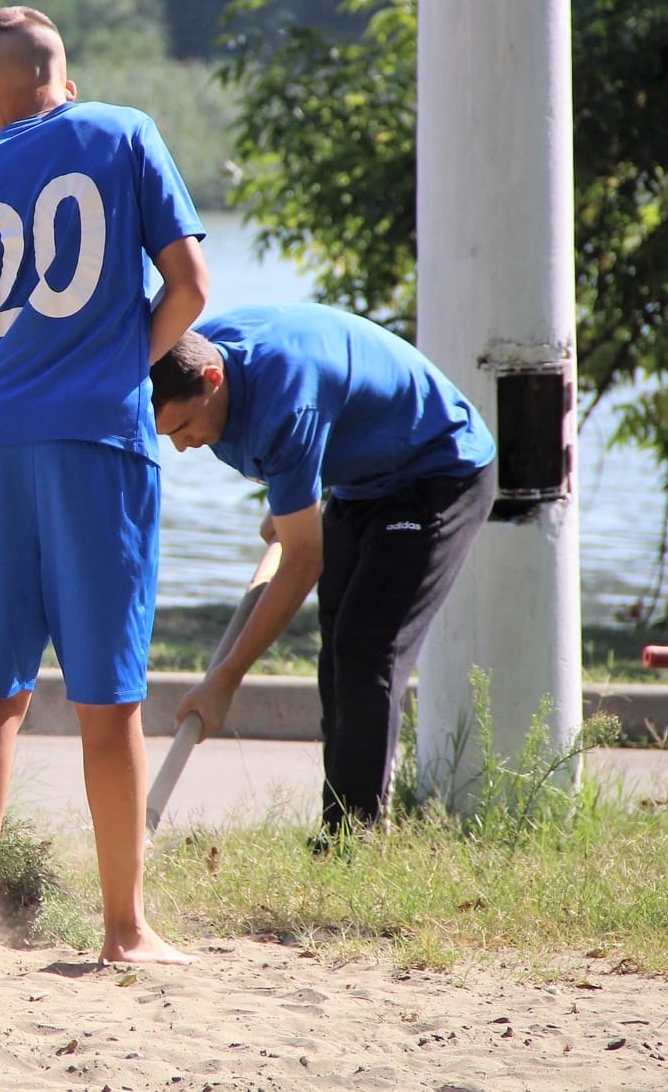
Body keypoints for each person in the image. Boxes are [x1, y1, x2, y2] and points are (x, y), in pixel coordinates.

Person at [0, 6, 210, 967]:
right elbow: (191, 289)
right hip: (100, 442)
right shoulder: (124, 133)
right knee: (108, 700)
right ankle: (123, 929)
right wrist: (123, 365)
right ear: (64, 81)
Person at [149, 303, 498, 841]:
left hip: (436, 469)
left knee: (365, 649)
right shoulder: (199, 347)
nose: (182, 445)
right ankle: (339, 833)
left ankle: (352, 842)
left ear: (214, 380)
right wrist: (294, 493)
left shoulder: (284, 403)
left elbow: (302, 563)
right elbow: (303, 433)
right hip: (359, 482)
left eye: (185, 426)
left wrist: (224, 680)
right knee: (336, 653)